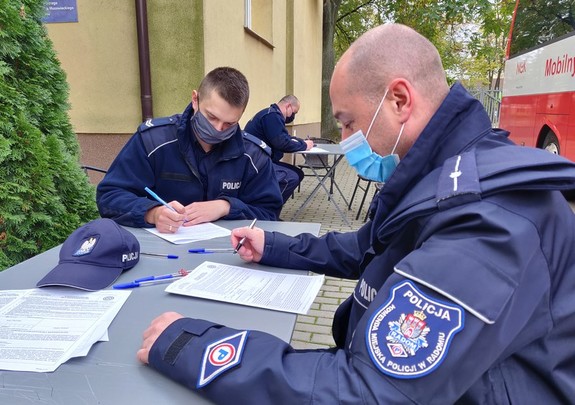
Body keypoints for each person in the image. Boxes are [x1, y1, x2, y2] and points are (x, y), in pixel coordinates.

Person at [136, 24, 575, 403]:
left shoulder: (488, 221)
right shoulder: (439, 176)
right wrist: (274, 244)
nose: (345, 138)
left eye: (347, 122)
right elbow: (367, 247)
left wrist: (190, 345)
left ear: (399, 100)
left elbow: (370, 391)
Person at [97, 67, 283, 232]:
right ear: (195, 99)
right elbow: (110, 196)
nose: (217, 130)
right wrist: (152, 213)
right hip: (159, 252)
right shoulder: (153, 140)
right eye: (211, 117)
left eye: (229, 124)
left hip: (229, 256)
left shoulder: (253, 155)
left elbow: (269, 213)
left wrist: (226, 206)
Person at [244, 95, 314, 202]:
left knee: (298, 173)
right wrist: (305, 146)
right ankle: (267, 211)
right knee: (291, 178)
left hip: (260, 160)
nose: (293, 116)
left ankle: (269, 208)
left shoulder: (271, 114)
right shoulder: (272, 116)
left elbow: (285, 138)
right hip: (256, 164)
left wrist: (302, 142)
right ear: (288, 106)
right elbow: (282, 143)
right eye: (294, 112)